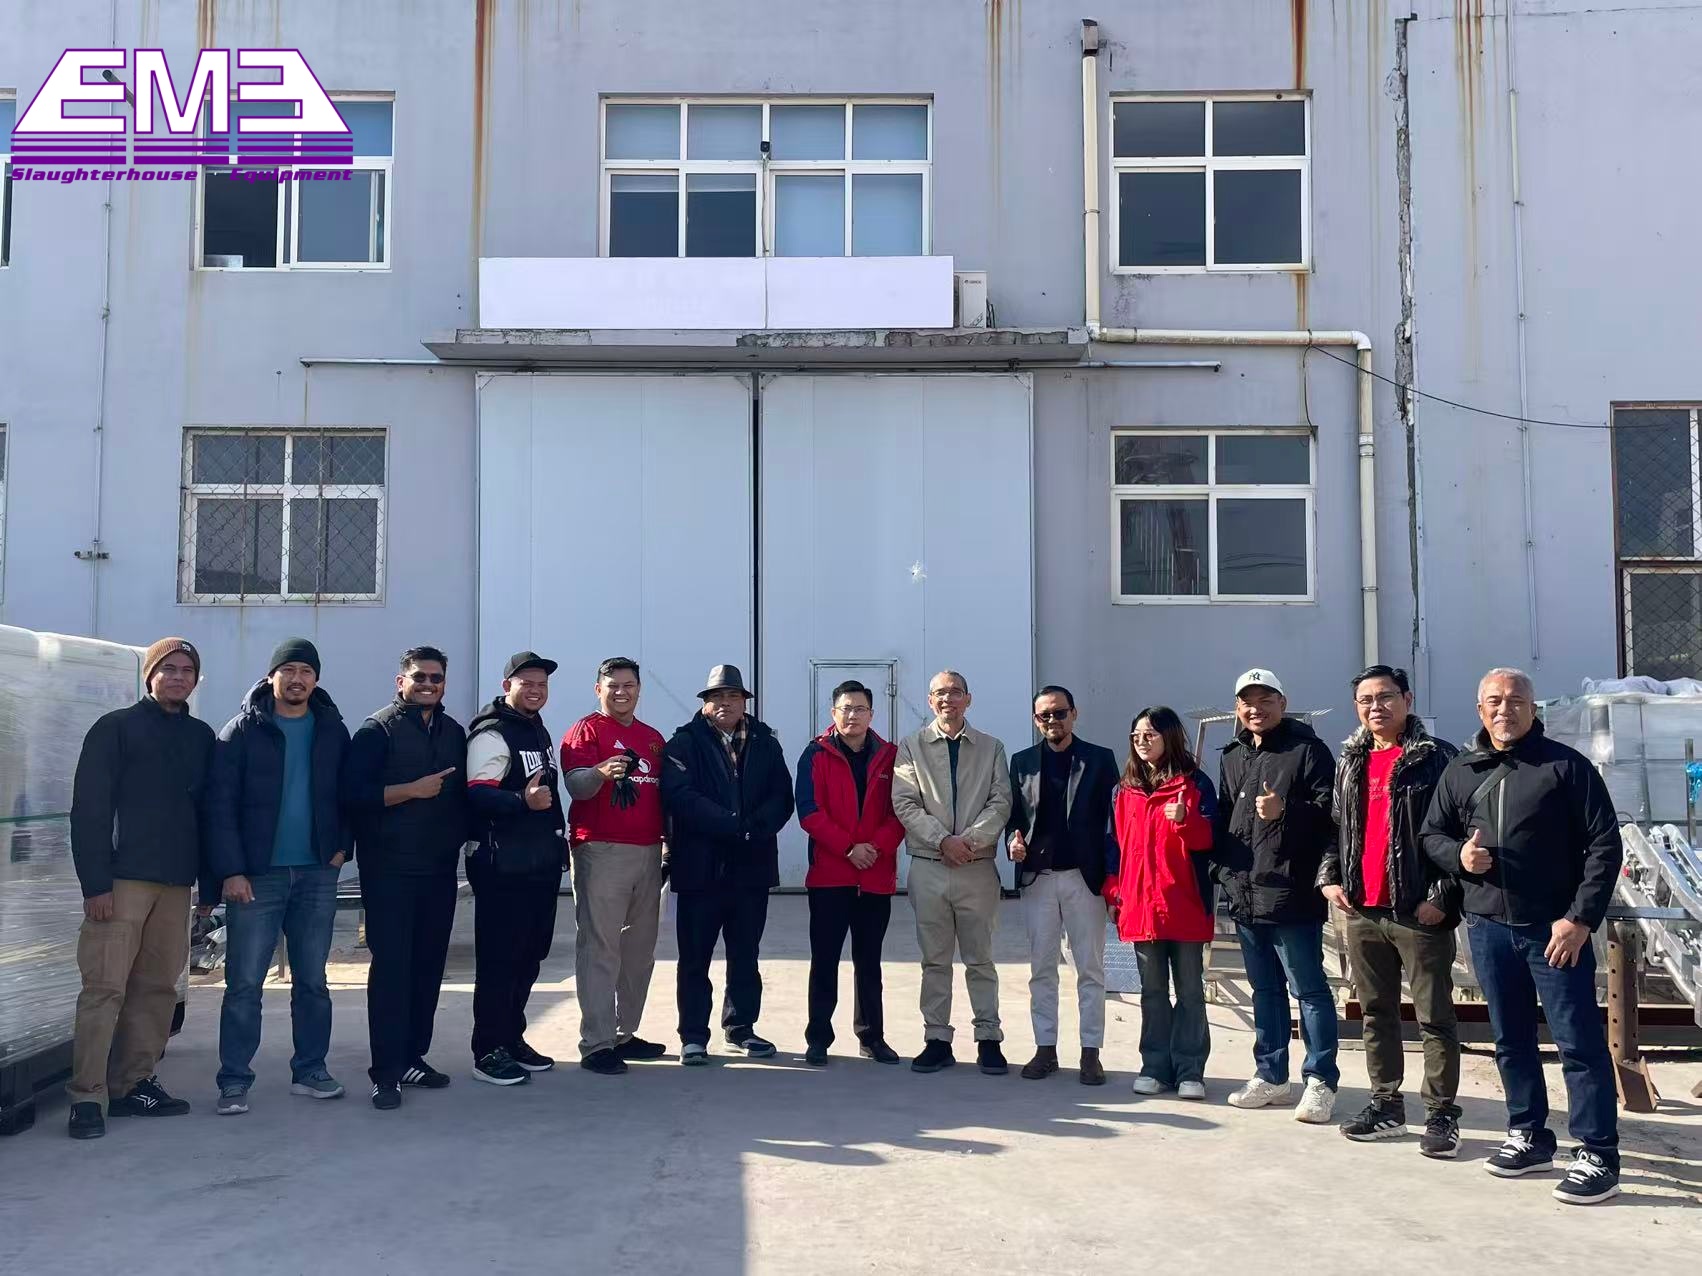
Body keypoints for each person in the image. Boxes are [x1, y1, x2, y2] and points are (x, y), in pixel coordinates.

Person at [1422, 667, 1625, 1204]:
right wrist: (1459, 857)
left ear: (1533, 709)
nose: (1504, 709)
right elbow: (1431, 834)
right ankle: (1529, 1134)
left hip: (1554, 930)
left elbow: (1605, 846)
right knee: (1511, 1039)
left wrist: (1579, 919)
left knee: (1577, 1042)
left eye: (1515, 700)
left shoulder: (1566, 767)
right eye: (1494, 700)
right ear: (1479, 709)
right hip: (1488, 927)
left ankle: (1598, 1153)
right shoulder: (1462, 770)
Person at [66, 638, 215, 1139]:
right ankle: (87, 1097)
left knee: (156, 989)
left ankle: (133, 1085)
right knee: (104, 989)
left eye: (187, 670)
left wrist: (207, 885)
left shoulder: (200, 737)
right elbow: (89, 810)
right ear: (149, 675)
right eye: (168, 668)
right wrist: (95, 884)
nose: (178, 677)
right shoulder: (115, 729)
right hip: (122, 882)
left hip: (176, 884)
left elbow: (208, 814)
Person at [1319, 665, 1462, 1157]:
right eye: (1365, 700)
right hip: (1362, 910)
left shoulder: (1437, 758)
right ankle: (1386, 1104)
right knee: (1376, 1012)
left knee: (1434, 1016)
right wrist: (1330, 877)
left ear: (1407, 699)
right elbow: (1335, 827)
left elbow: (1461, 833)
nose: (1375, 707)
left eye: (1385, 697)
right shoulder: (1350, 760)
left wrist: (1441, 897)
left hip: (1418, 912)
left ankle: (1441, 1113)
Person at [205, 638, 352, 1116]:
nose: (297, 679)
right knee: (244, 983)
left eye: (306, 671)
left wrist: (341, 848)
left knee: (313, 981)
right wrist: (231, 870)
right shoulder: (242, 731)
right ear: (271, 677)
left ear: (316, 679)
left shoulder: (332, 729)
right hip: (258, 876)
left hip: (316, 873)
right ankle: (234, 1079)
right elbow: (219, 806)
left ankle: (310, 1070)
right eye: (288, 670)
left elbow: (348, 793)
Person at [342, 646, 469, 1111]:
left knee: (428, 968)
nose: (428, 684)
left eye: (436, 678)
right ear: (401, 682)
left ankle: (413, 1057)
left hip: (439, 870)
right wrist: (410, 791)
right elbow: (353, 795)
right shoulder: (376, 731)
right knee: (393, 970)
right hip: (390, 871)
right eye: (420, 677)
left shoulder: (453, 732)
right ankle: (386, 1072)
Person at [1212, 668, 1341, 1123]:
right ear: (1237, 708)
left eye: (1266, 700)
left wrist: (1287, 810)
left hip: (1292, 893)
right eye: (1247, 701)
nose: (1256, 709)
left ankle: (1320, 1080)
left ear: (1283, 704)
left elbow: (1332, 816)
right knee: (1264, 989)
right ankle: (1271, 1076)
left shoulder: (1308, 750)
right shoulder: (1232, 755)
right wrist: (1222, 871)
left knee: (1309, 990)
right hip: (1245, 892)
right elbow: (1225, 818)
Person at [661, 664, 794, 1065]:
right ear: (705, 703)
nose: (725, 703)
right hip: (699, 870)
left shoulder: (766, 743)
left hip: (750, 870)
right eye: (717, 696)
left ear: (744, 702)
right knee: (695, 959)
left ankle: (740, 1029)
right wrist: (731, 824)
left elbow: (781, 797)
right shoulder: (683, 743)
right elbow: (680, 797)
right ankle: (693, 1037)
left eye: (733, 696)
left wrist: (753, 829)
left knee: (745, 955)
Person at [892, 670, 1013, 1076]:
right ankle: (937, 1038)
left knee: (981, 959)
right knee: (935, 960)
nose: (948, 699)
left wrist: (969, 842)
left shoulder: (991, 748)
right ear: (930, 701)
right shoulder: (911, 747)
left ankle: (988, 1037)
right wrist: (943, 840)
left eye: (955, 692)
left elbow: (1001, 802)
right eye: (940, 693)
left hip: (976, 867)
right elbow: (905, 802)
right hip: (929, 866)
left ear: (968, 699)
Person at [1103, 706, 1218, 1100]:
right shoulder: (1124, 790)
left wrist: (1186, 819)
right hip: (1140, 906)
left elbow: (1210, 841)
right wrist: (1114, 891)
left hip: (1184, 903)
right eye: (1136, 736)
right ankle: (1154, 1066)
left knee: (1190, 991)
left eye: (1150, 734)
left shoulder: (1195, 784)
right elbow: (1113, 847)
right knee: (1152, 992)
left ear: (1170, 737)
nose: (1142, 741)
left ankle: (1190, 1070)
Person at [464, 651, 567, 1087]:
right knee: (499, 961)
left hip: (538, 864)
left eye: (542, 684)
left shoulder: (535, 728)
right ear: (507, 685)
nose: (536, 690)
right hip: (502, 867)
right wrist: (521, 801)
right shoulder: (492, 733)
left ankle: (511, 1037)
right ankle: (488, 1050)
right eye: (527, 683)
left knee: (529, 956)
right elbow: (475, 794)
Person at [561, 657, 668, 1075]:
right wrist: (600, 773)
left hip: (648, 851)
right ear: (598, 690)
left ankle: (625, 1033)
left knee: (639, 951)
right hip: (601, 850)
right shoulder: (586, 731)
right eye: (613, 685)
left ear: (639, 689)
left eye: (629, 685)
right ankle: (597, 1042)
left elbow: (664, 795)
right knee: (600, 947)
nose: (621, 692)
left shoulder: (652, 738)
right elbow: (576, 785)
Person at [1006, 686, 1118, 1085]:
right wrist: (1012, 841)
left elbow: (1114, 821)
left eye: (1059, 713)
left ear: (1074, 714)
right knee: (1041, 969)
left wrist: (1113, 876)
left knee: (1090, 968)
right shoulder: (1021, 762)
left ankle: (1091, 1053)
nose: (1053, 721)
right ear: (1035, 719)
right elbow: (1014, 816)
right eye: (1045, 715)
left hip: (1083, 879)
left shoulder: (1099, 759)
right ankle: (1045, 1049)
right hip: (1038, 878)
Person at [794, 680, 907, 1066]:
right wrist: (848, 848)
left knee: (869, 962)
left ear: (871, 714)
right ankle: (818, 1038)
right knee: (824, 960)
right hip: (831, 876)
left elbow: (901, 811)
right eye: (845, 708)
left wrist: (875, 848)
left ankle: (872, 1037)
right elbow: (809, 811)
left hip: (875, 875)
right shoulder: (815, 754)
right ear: (833, 713)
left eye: (860, 709)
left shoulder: (891, 757)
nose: (852, 715)